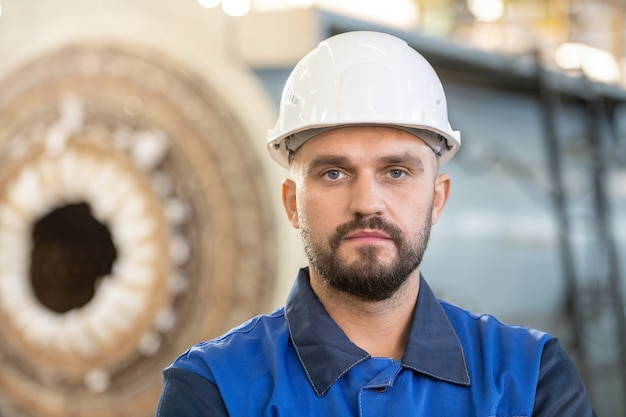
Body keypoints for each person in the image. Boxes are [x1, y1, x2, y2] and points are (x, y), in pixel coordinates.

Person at [156, 31, 597, 416]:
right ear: (292, 203)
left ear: (437, 199)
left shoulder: (531, 377)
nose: (368, 202)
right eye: (334, 173)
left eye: (396, 172)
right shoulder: (213, 390)